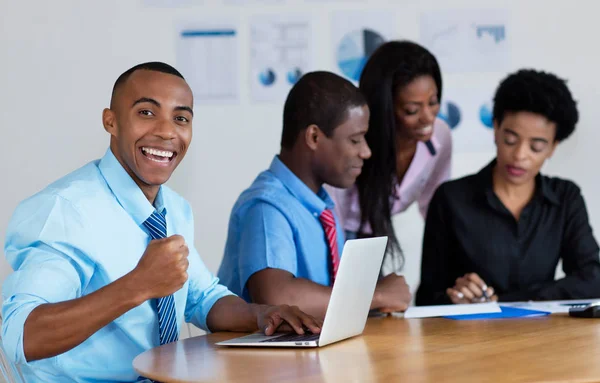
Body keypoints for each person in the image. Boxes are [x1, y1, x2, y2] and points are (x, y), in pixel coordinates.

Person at [1, 62, 321, 382]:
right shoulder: (66, 211)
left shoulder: (174, 209)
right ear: (110, 122)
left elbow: (202, 297)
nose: (167, 131)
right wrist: (137, 285)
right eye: (146, 112)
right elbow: (21, 336)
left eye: (180, 118)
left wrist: (262, 314)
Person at [217, 71, 412, 318]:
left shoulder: (321, 206)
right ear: (314, 137)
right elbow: (276, 297)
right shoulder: (267, 207)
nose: (366, 152)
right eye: (355, 140)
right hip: (260, 357)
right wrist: (376, 296)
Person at [415, 69, 600, 306]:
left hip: (544, 336)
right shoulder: (451, 199)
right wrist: (455, 297)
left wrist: (508, 300)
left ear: (553, 147)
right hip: (470, 338)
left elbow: (592, 278)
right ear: (495, 129)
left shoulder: (565, 198)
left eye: (536, 146)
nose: (519, 155)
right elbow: (427, 297)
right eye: (510, 140)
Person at [327, 40, 452, 272]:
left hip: (377, 234)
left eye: (433, 103)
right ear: (385, 107)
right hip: (342, 234)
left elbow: (437, 205)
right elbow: (334, 217)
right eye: (412, 110)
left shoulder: (440, 136)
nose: (428, 117)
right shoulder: (356, 145)